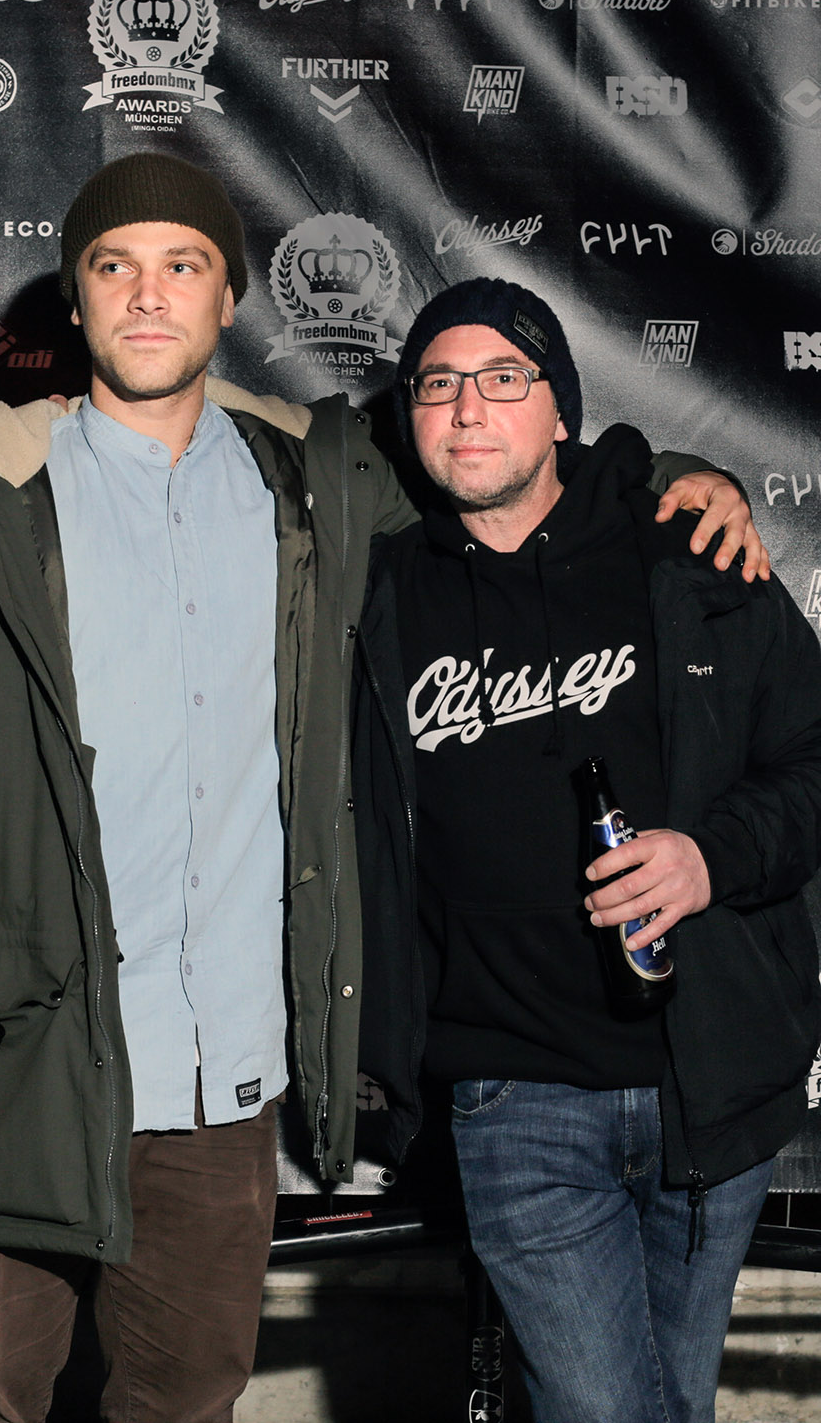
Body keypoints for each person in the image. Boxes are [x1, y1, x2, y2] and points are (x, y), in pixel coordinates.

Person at [0, 156, 768, 1423]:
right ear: (75, 303)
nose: (148, 298)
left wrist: (674, 481)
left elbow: (501, 463)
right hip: (14, 1069)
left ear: (228, 304)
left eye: (183, 268)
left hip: (221, 1084)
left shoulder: (311, 480)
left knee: (185, 1408)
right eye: (115, 268)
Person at [352, 276, 821, 1423]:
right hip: (513, 1095)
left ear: (558, 407)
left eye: (503, 379)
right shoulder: (377, 594)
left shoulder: (689, 555)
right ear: (408, 417)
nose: (468, 410)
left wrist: (709, 858)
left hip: (703, 1085)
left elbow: (813, 763)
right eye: (437, 386)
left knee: (673, 1404)